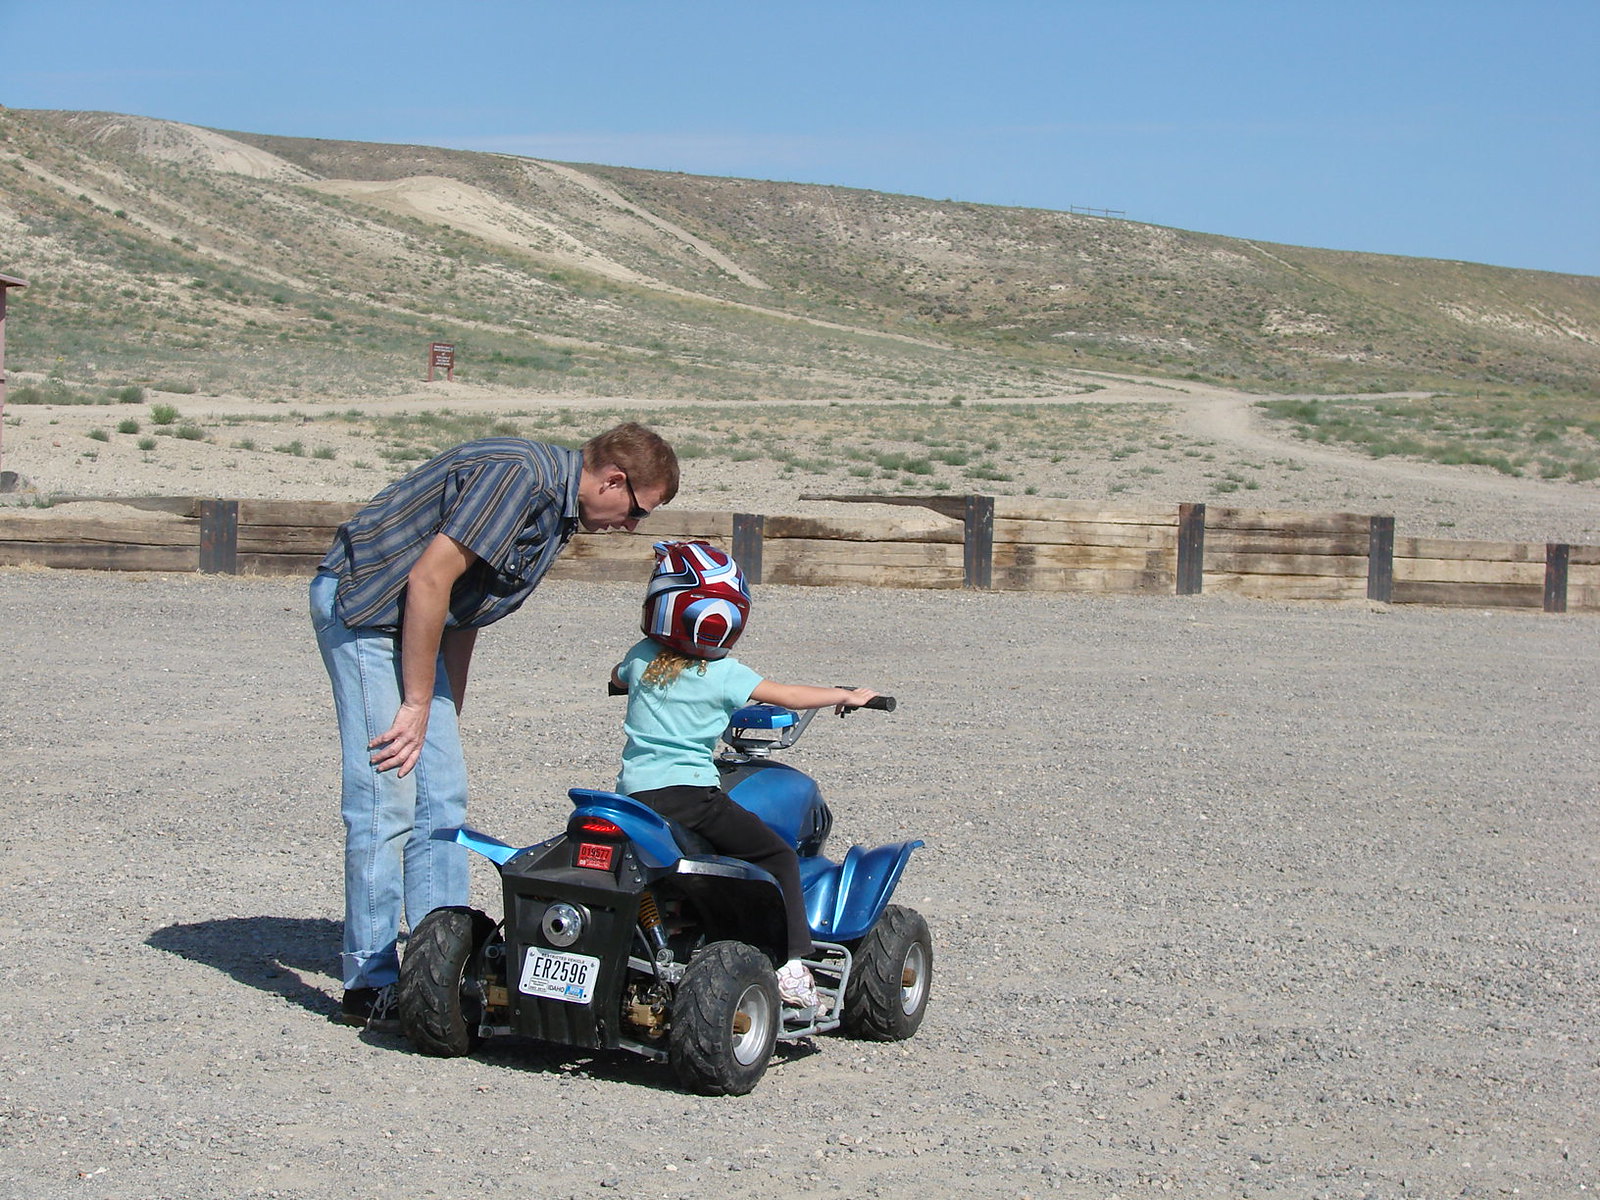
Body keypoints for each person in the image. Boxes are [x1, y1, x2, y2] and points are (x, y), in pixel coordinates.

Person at [311, 422, 678, 1030]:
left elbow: (469, 601)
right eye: (637, 510)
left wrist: (445, 703)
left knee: (443, 793)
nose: (631, 526)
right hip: (368, 613)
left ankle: (440, 965)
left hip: (416, 624)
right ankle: (369, 982)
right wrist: (417, 703)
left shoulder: (558, 511)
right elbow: (428, 578)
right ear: (614, 479)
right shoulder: (521, 476)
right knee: (387, 794)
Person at [609, 540, 879, 1012]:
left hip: (632, 798)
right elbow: (789, 696)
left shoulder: (641, 655)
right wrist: (845, 694)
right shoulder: (726, 675)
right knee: (776, 854)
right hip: (690, 795)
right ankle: (791, 966)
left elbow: (617, 678)